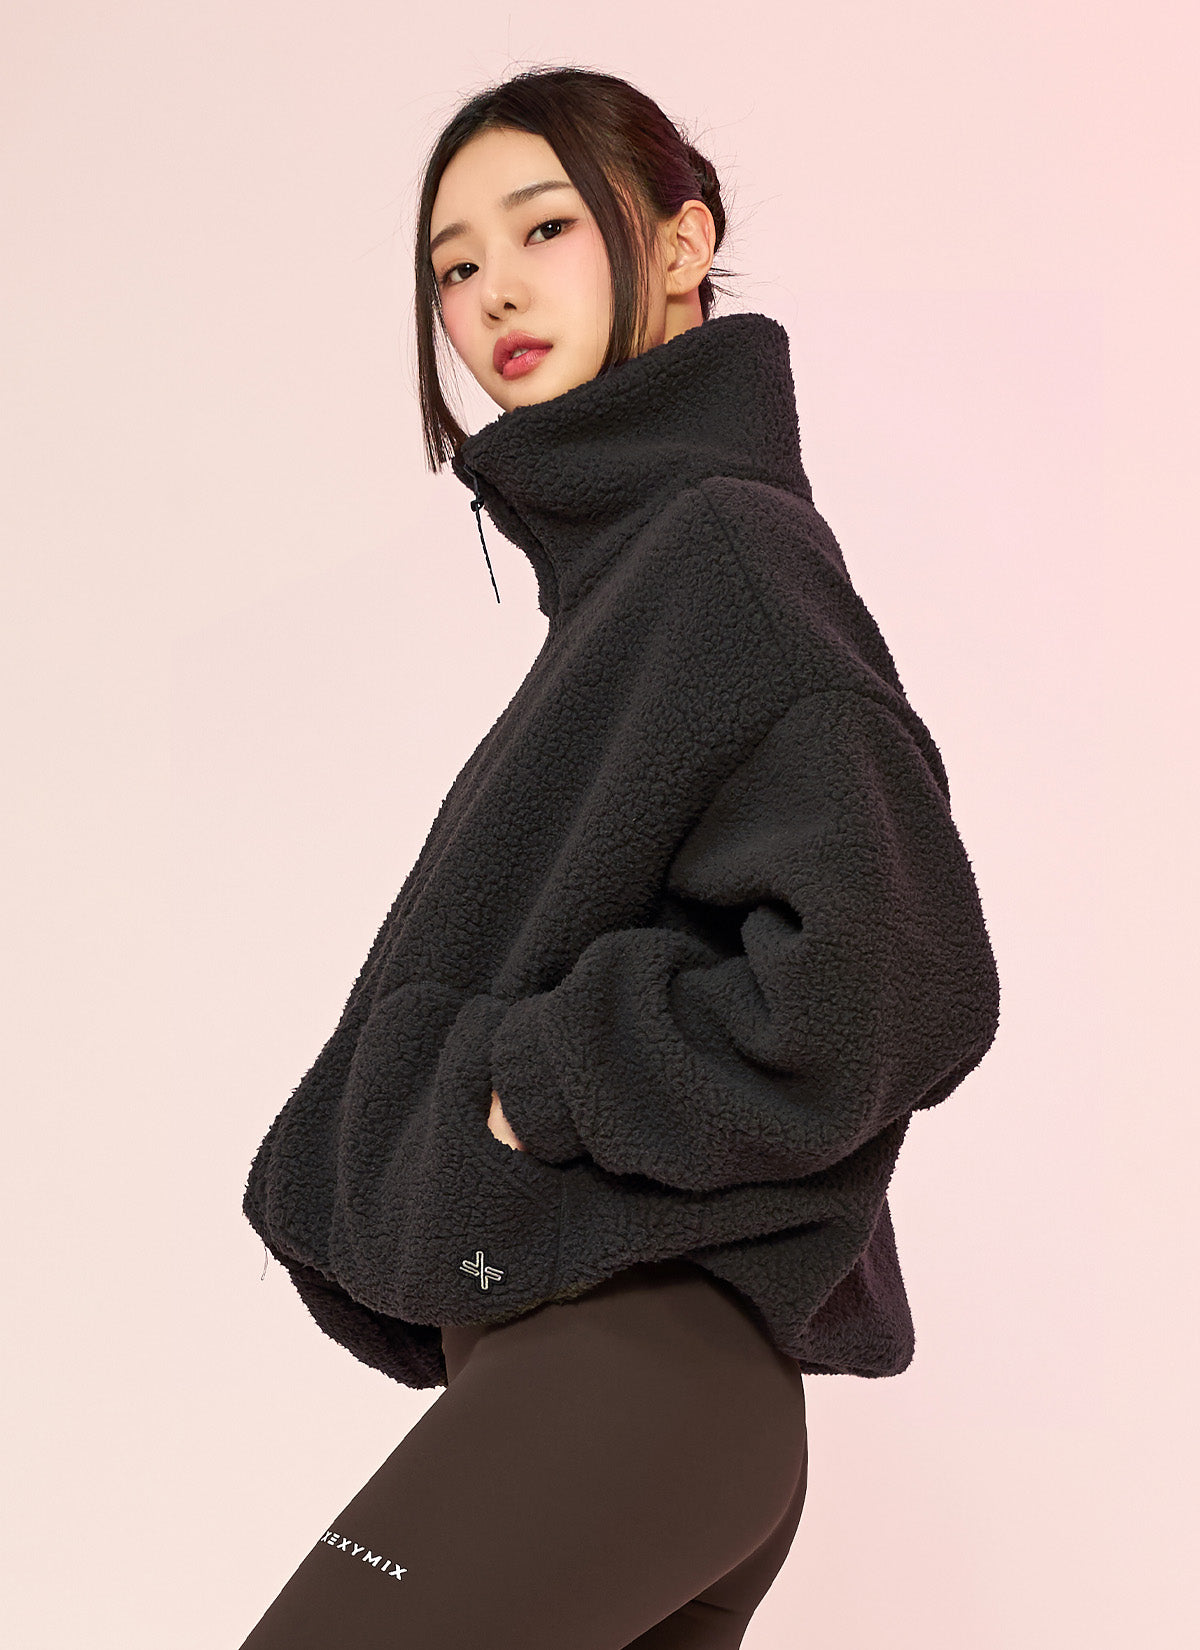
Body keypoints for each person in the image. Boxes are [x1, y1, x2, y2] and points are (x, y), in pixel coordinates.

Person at [237, 63, 1001, 1650]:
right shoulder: (637, 592)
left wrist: (539, 1080)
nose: (493, 292)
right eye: (454, 265)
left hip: (634, 1374)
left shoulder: (722, 553)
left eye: (543, 228)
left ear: (678, 242)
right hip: (631, 1400)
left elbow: (892, 976)